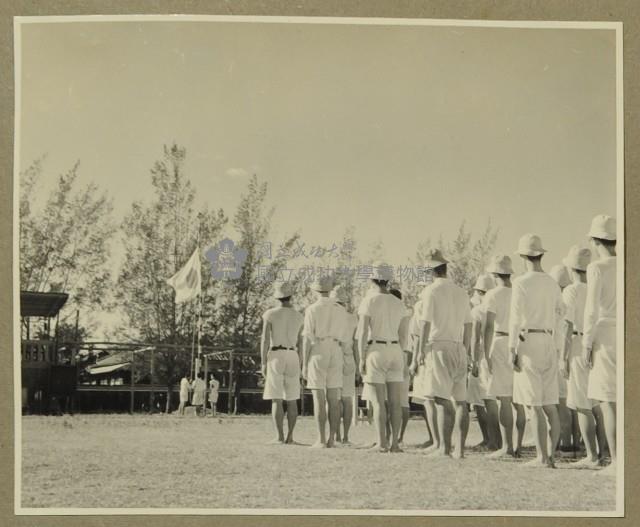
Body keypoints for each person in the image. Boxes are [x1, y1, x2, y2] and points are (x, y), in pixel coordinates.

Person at [411, 249, 472, 459]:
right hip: (459, 345)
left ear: (430, 271)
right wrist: (467, 349)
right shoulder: (461, 292)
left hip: (439, 345)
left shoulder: (431, 292)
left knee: (440, 399)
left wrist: (419, 352)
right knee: (461, 400)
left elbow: (425, 324)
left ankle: (444, 448)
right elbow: (469, 324)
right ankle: (460, 449)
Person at [510, 234, 564, 468]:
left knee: (534, 403)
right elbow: (561, 313)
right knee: (550, 403)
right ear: (541, 254)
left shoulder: (521, 282)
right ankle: (550, 455)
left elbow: (514, 319)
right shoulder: (552, 282)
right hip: (549, 340)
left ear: (523, 256)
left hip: (529, 339)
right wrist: (558, 345)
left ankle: (542, 457)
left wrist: (512, 347)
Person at [560, 245, 606, 467]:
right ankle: (604, 451)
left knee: (581, 403)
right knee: (597, 402)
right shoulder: (597, 287)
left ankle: (592, 455)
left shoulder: (572, 290)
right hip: (598, 343)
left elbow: (567, 325)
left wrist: (563, 356)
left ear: (572, 268)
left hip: (579, 343)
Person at [357, 263, 409, 453]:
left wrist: (361, 357)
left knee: (378, 402)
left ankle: (382, 442)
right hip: (395, 349)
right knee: (395, 401)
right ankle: (394, 443)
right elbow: (404, 335)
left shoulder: (368, 300)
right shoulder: (399, 302)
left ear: (372, 279)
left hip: (376, 348)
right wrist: (401, 354)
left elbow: (362, 332)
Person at [583, 215, 618, 476]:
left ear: (596, 240)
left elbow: (591, 310)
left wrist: (586, 344)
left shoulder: (597, 267)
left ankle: (617, 460)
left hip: (605, 334)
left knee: (608, 400)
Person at [484, 254, 526, 458]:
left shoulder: (492, 295)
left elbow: (488, 326)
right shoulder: (520, 291)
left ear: (494, 273)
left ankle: (507, 446)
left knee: (504, 399)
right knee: (519, 398)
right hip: (520, 341)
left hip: (500, 341)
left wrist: (485, 353)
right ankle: (518, 446)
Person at [303, 275, 344, 448]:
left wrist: (304, 363)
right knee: (333, 398)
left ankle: (320, 439)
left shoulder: (312, 309)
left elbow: (307, 337)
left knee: (319, 397)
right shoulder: (340, 309)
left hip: (318, 348)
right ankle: (332, 438)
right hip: (336, 348)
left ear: (315, 291)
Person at [261, 281, 304, 445]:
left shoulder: (270, 314)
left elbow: (265, 340)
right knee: (292, 398)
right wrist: (301, 361)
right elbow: (301, 341)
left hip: (276, 354)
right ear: (291, 296)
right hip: (293, 354)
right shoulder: (299, 316)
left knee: (276, 398)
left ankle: (279, 437)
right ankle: (290, 437)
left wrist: (263, 361)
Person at [467, 274, 501, 452]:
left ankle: (492, 440)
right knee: (496, 399)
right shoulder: (500, 305)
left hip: (482, 356)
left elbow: (475, 339)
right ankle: (495, 439)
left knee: (483, 401)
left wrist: (473, 361)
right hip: (498, 353)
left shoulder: (477, 311)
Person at [549, 263, 577, 453]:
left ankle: (564, 440)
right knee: (570, 400)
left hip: (559, 352)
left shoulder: (558, 303)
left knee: (561, 400)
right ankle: (570, 439)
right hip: (569, 350)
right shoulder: (570, 298)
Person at [409, 280, 437, 451]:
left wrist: (414, 360)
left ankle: (435, 439)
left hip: (425, 352)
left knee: (428, 398)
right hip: (440, 347)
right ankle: (435, 438)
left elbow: (418, 334)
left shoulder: (421, 305)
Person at [330, 284, 359, 445]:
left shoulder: (329, 317)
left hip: (334, 357)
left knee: (334, 400)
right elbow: (355, 345)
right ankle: (346, 436)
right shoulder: (353, 318)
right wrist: (358, 365)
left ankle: (335, 435)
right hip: (349, 358)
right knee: (347, 400)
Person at [389, 285, 412, 446]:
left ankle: (394, 436)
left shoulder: (398, 315)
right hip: (403, 355)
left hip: (398, 353)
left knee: (393, 399)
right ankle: (399, 436)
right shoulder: (405, 315)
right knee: (402, 400)